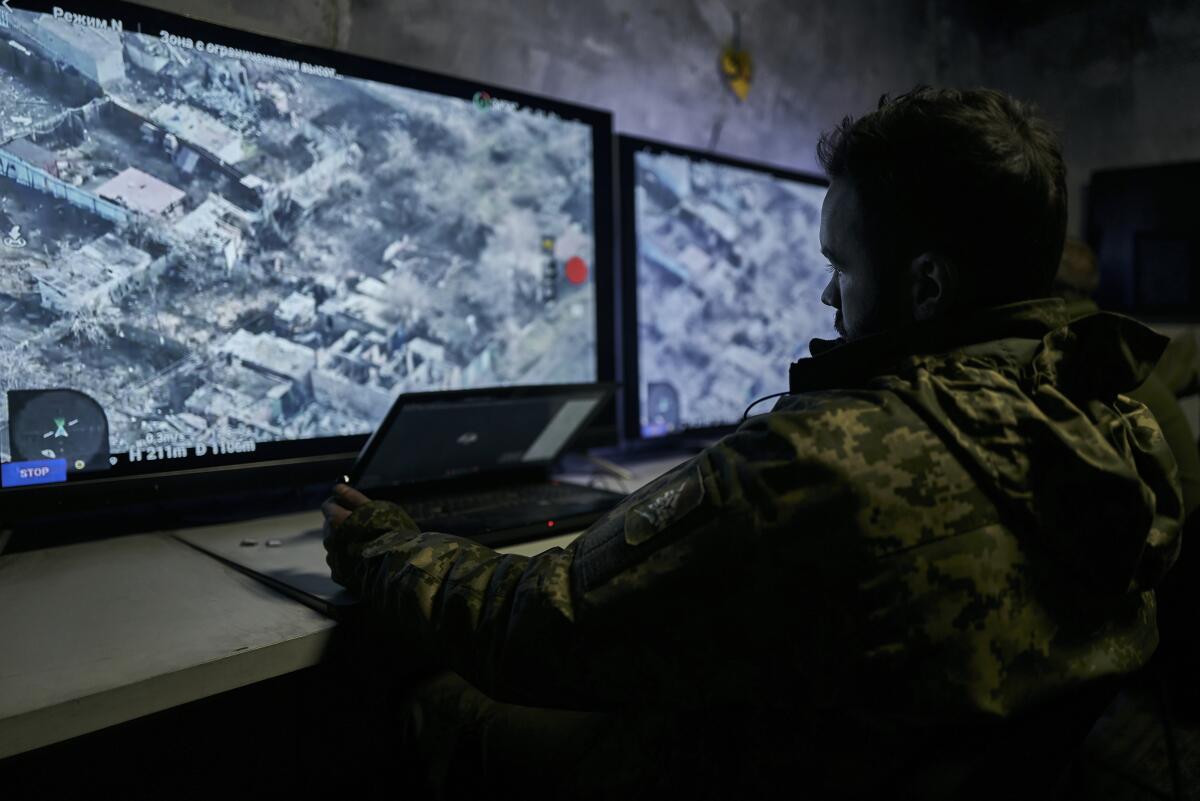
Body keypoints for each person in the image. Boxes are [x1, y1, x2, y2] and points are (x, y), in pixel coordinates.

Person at [323, 88, 1184, 800]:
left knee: (411, 687)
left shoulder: (822, 461)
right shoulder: (1125, 415)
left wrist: (384, 546)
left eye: (841, 268)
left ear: (925, 285)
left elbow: (537, 622)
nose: (826, 296)